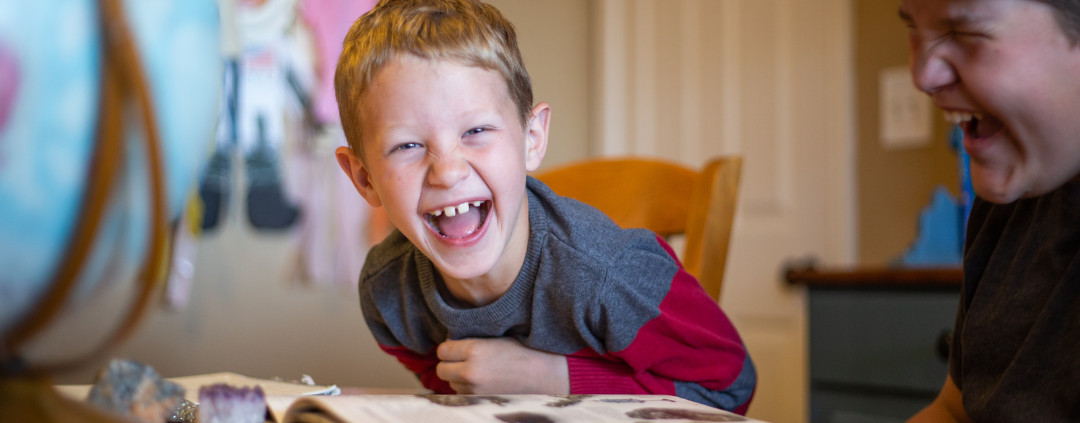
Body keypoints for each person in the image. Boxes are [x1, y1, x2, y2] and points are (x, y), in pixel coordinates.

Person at [331, 0, 756, 413]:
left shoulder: (611, 274)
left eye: (476, 130)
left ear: (531, 139)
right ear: (364, 178)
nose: (447, 171)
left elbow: (730, 388)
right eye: (407, 145)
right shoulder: (387, 293)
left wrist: (552, 379)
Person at [900, 0, 1080, 421]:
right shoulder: (1013, 197)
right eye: (912, 28)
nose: (922, 77)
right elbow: (953, 411)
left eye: (964, 32)